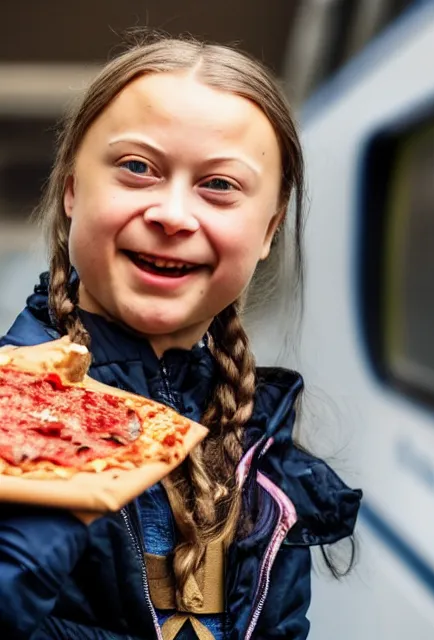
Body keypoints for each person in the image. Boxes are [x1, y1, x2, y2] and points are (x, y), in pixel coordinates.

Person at [0, 35, 362, 640]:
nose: (172, 214)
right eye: (137, 168)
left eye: (219, 185)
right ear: (70, 192)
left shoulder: (262, 446)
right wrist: (49, 452)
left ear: (270, 230)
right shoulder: (12, 398)